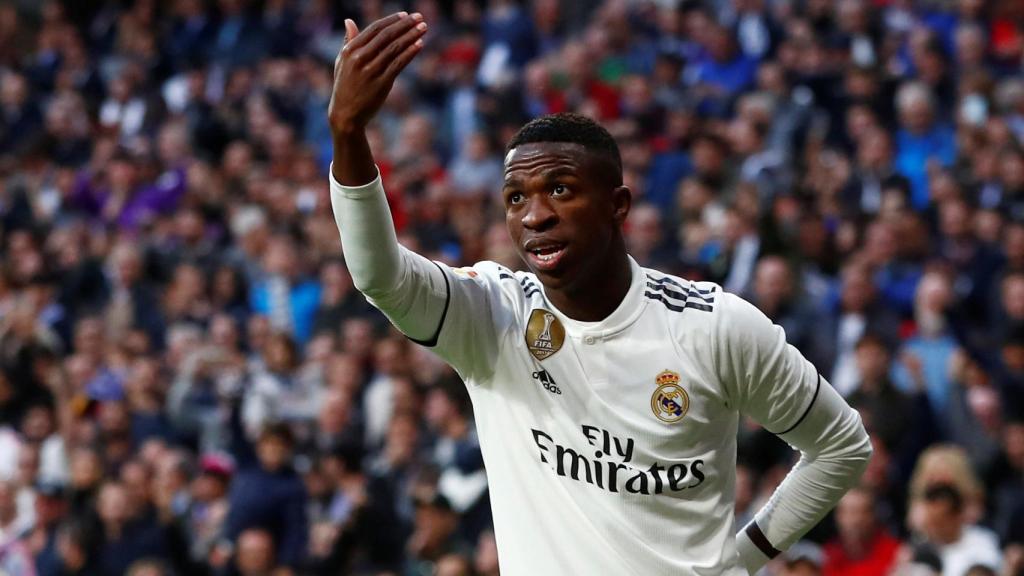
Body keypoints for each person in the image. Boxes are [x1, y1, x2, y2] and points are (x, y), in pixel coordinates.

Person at [326, 12, 872, 574]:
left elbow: (842, 447)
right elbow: (379, 277)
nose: (534, 215)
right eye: (516, 198)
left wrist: (745, 556)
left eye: (559, 189)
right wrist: (347, 133)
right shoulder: (490, 317)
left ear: (619, 206)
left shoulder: (713, 327)